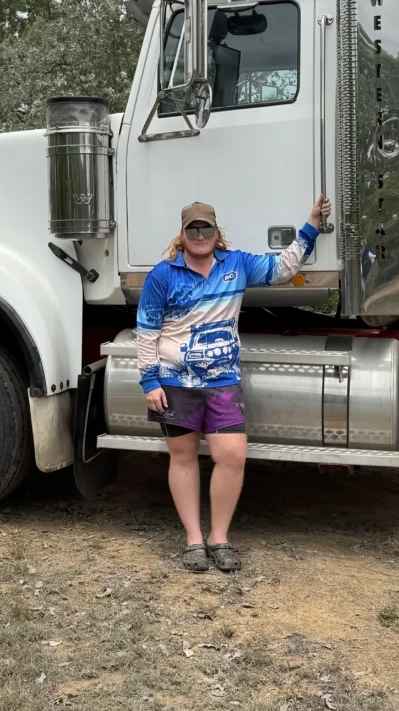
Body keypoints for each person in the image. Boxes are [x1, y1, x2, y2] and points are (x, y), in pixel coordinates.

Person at [135, 196, 332, 572]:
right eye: (192, 229)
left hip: (224, 382)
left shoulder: (237, 264)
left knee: (232, 456)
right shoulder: (163, 275)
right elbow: (146, 334)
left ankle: (218, 538)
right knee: (183, 457)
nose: (199, 234)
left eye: (205, 228)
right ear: (182, 234)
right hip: (175, 381)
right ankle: (194, 540)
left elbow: (282, 269)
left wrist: (310, 225)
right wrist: (150, 382)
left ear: (215, 231)